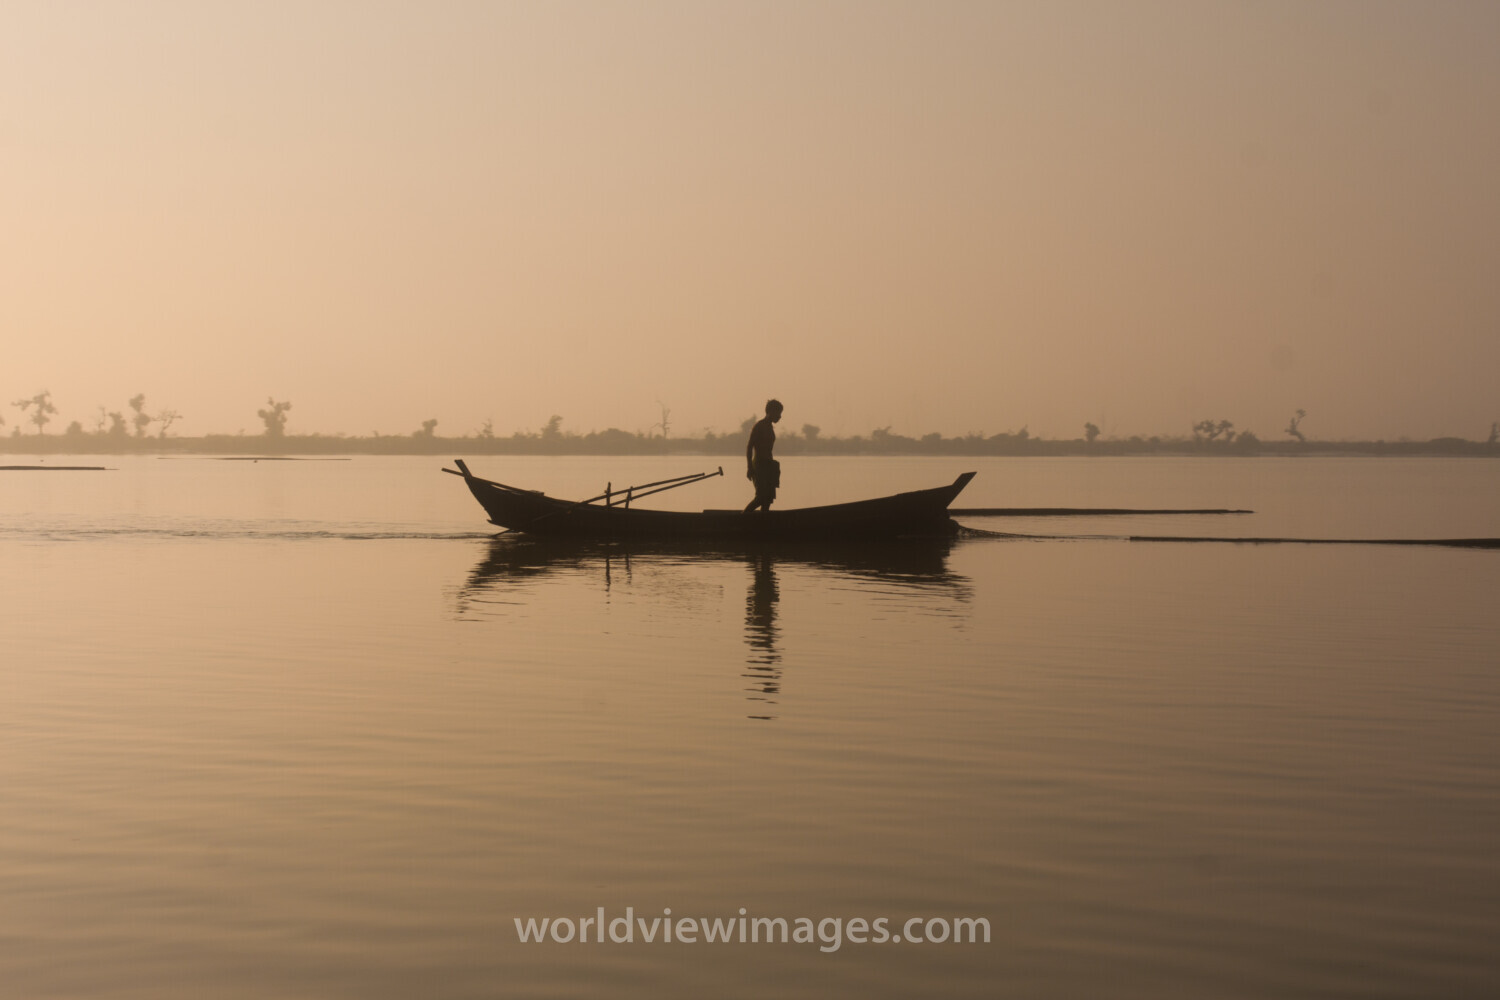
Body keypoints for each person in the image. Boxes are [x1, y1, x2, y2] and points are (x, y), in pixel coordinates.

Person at [744, 399, 783, 512]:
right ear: (770, 411)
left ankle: (762, 524)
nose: (780, 416)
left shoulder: (770, 427)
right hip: (759, 465)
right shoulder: (759, 426)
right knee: (760, 497)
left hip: (769, 465)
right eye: (778, 413)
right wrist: (749, 467)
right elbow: (749, 447)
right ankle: (742, 519)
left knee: (768, 499)